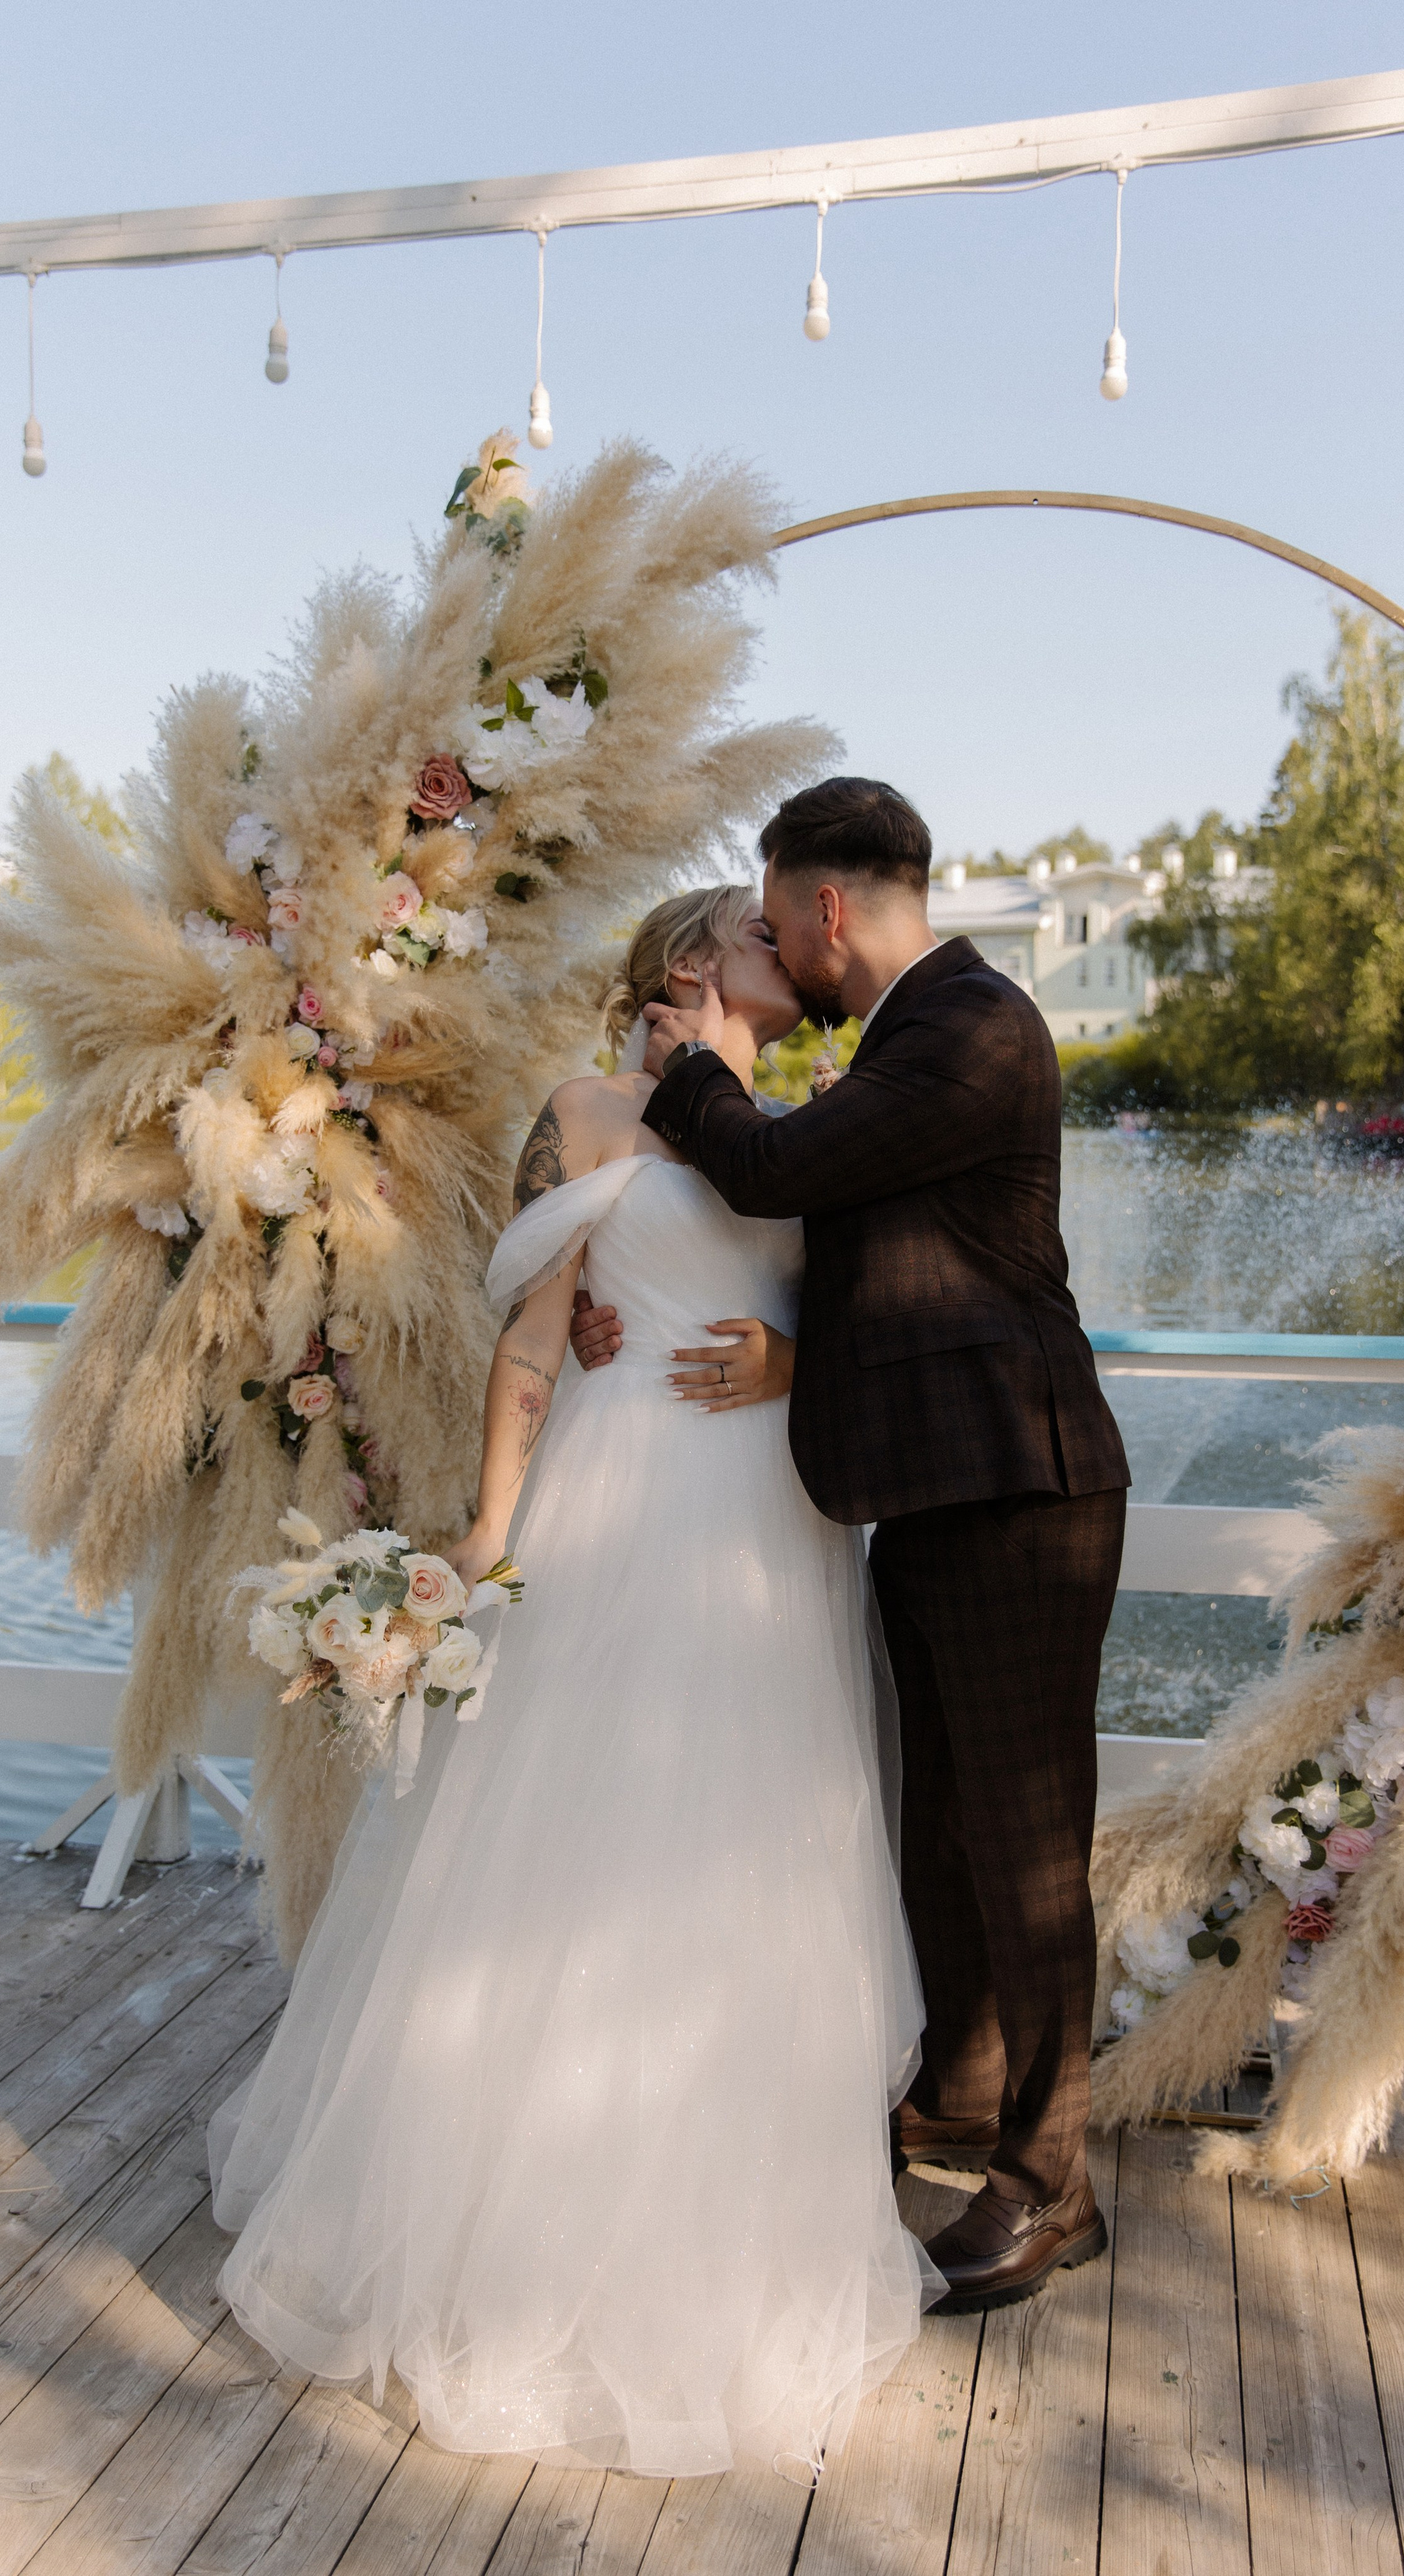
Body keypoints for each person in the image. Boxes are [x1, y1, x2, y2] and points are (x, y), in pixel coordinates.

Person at [209, 883, 940, 2481]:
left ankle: (728, 2213)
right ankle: (509, 2216)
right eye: (761, 938)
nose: (791, 956)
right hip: (618, 1502)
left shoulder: (807, 1122)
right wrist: (486, 1528)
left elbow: (872, 1318)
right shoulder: (588, 1112)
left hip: (766, 1519)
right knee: (566, 1837)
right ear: (692, 962)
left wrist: (791, 1360)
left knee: (749, 1847)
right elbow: (535, 1334)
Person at [574, 777, 1130, 2312]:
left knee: (1024, 1853)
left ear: (825, 910)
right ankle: (955, 2091)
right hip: (929, 1491)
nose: (767, 943)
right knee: (936, 1823)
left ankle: (1047, 2182)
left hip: (1023, 1491)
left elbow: (768, 1172)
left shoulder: (975, 1024)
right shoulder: (896, 1047)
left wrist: (684, 1069)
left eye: (770, 917)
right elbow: (862, 1265)